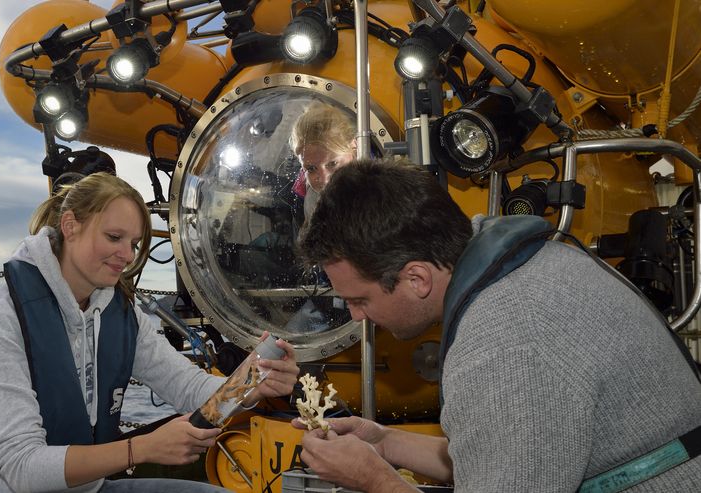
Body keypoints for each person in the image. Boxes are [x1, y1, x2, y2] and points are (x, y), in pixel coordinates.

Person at [293, 158, 701, 492]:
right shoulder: (527, 267)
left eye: (360, 299)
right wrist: (385, 443)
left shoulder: (503, 343)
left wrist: (373, 480)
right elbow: (505, 454)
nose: (357, 316)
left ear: (416, 278)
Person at [0, 172, 299, 492]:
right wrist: (143, 448)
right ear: (70, 226)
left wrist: (252, 385)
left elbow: (188, 388)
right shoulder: (2, 317)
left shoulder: (121, 312)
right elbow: (21, 466)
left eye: (133, 243)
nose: (126, 255)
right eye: (114, 237)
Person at [289, 101, 357, 222]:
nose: (325, 180)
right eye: (311, 169)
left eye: (332, 164)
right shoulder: (312, 202)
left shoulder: (384, 191)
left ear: (353, 146)